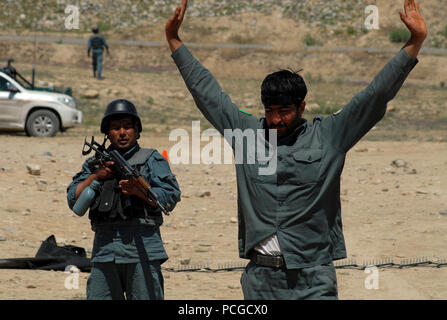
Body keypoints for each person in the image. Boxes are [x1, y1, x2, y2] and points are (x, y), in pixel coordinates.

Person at [165, 0, 427, 299]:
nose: (275, 119)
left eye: (285, 111)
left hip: (313, 279)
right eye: (269, 110)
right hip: (261, 281)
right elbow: (207, 92)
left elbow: (374, 95)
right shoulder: (247, 135)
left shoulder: (329, 136)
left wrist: (414, 43)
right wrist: (174, 40)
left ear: (302, 106)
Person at [66, 99, 181, 300]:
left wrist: (139, 191)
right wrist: (96, 177)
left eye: (128, 127)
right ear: (107, 133)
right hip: (104, 251)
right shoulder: (95, 163)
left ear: (137, 131)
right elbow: (73, 199)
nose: (122, 132)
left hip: (142, 250)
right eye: (116, 128)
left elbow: (170, 196)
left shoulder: (151, 159)